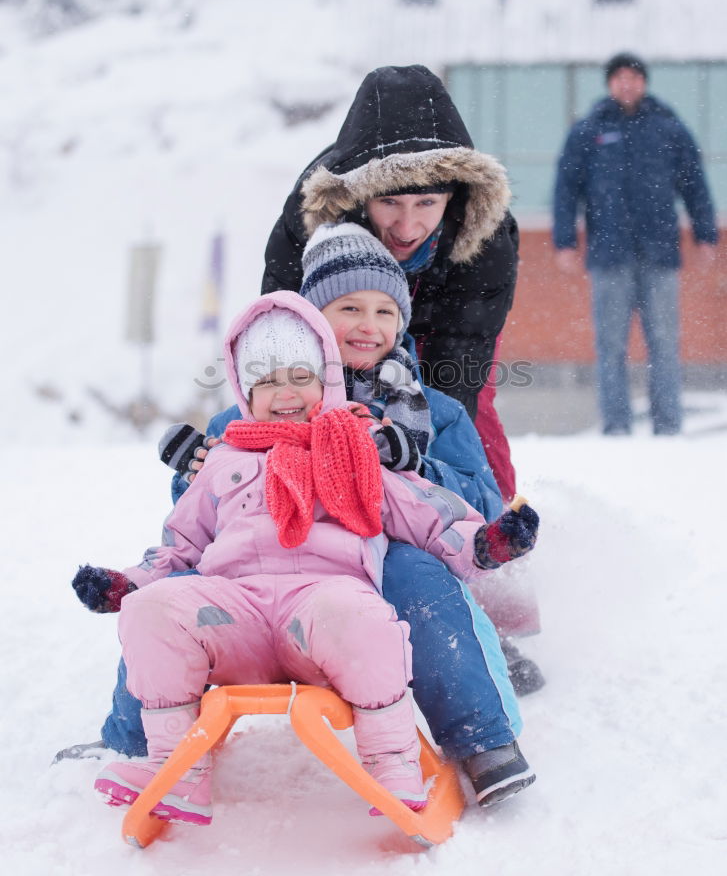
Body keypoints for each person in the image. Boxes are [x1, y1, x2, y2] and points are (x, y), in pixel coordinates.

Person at [71, 292, 537, 824]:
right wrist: (129, 585)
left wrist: (485, 544)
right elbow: (182, 544)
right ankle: (174, 770)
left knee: (368, 617)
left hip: (320, 611)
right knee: (153, 611)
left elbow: (424, 513)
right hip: (236, 612)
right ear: (245, 393)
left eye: (299, 377)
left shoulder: (357, 449)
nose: (285, 393)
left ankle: (392, 762)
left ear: (326, 381)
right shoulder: (225, 457)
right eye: (267, 381)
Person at [262, 64, 520, 501]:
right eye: (390, 202)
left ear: (453, 197)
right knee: (316, 401)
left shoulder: (486, 236)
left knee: (458, 411)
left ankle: (493, 513)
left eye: (426, 203)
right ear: (363, 197)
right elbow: (278, 337)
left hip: (442, 312)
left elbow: (460, 374)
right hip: (346, 318)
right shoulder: (312, 219)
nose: (407, 224)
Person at [553, 52, 719, 435]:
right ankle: (616, 426)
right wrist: (564, 240)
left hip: (659, 253)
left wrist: (705, 233)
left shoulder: (668, 129)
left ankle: (668, 425)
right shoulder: (589, 131)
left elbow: (695, 185)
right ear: (610, 83)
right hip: (609, 255)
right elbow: (566, 189)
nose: (627, 84)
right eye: (620, 77)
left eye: (634, 77)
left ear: (644, 82)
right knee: (610, 345)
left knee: (663, 343)